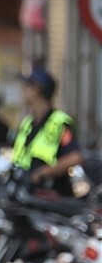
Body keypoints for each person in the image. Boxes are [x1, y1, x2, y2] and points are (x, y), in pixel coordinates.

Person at [11, 68, 82, 196]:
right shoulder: (28, 122)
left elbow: (75, 157)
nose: (22, 90)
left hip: (50, 195)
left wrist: (44, 172)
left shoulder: (59, 122)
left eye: (27, 86)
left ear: (37, 89)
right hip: (25, 192)